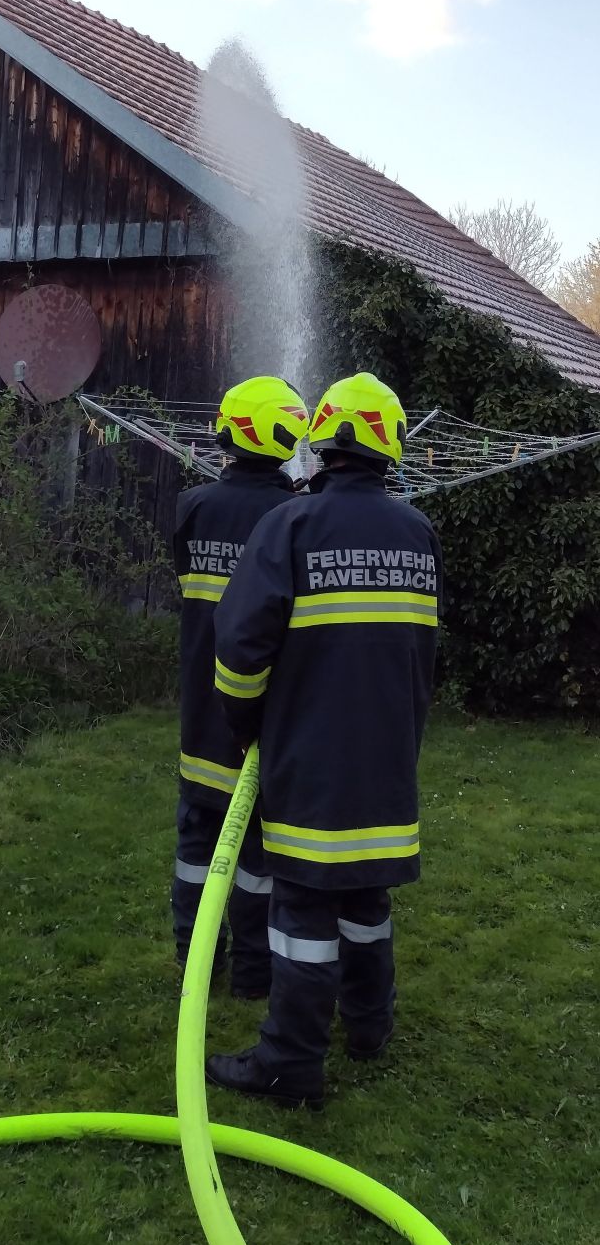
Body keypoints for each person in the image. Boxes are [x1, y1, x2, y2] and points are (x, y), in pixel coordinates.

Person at [207, 372, 442, 1106]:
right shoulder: (417, 533)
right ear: (388, 444)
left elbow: (239, 648)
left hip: (310, 757)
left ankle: (290, 1062)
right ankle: (369, 1025)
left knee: (304, 910)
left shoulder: (291, 526)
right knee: (366, 896)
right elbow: (421, 656)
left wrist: (246, 724)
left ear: (323, 438)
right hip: (387, 755)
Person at [172, 374, 310, 999]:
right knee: (257, 855)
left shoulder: (192, 506)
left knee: (196, 843)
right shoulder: (293, 518)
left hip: (201, 712)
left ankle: (193, 960)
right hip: (263, 716)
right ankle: (254, 974)